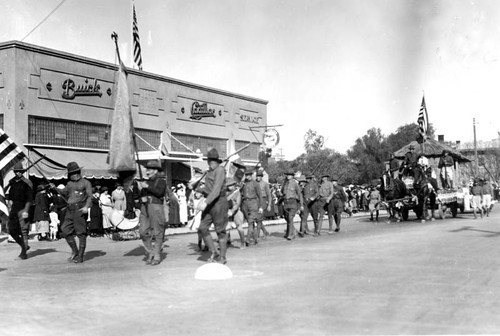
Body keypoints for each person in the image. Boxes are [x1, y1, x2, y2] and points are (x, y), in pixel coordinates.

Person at [195, 148, 229, 264]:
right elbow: (208, 189)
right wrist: (197, 188)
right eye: (209, 161)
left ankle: (223, 257)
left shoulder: (220, 170)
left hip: (219, 202)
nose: (209, 163)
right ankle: (214, 252)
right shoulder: (209, 171)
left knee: (220, 230)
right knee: (202, 228)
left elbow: (216, 190)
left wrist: (205, 202)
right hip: (210, 202)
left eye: (211, 161)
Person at [59, 162, 92, 263]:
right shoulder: (69, 184)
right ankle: (75, 251)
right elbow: (64, 192)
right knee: (64, 230)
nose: (73, 175)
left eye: (75, 172)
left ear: (79, 172)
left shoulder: (86, 183)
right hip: (69, 209)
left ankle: (80, 256)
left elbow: (90, 196)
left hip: (80, 209)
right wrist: (55, 188)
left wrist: (86, 207)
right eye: (71, 173)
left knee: (81, 233)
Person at [137, 160, 167, 266]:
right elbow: (139, 195)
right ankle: (151, 252)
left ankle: (157, 255)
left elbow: (159, 192)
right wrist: (141, 194)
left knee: (158, 232)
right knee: (142, 232)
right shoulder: (146, 181)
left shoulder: (161, 181)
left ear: (155, 171)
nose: (147, 171)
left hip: (156, 206)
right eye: (147, 169)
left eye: (149, 169)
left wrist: (147, 187)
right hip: (145, 207)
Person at [5, 162, 33, 260]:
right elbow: (10, 196)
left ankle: (23, 253)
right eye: (16, 172)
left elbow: (30, 198)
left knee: (23, 230)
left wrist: (26, 210)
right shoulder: (13, 183)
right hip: (14, 209)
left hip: (23, 208)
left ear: (23, 172)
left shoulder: (27, 183)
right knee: (11, 230)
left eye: (20, 172)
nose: (18, 173)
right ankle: (24, 246)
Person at [241, 168, 262, 245]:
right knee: (250, 222)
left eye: (249, 175)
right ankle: (255, 238)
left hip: (253, 203)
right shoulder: (243, 183)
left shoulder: (255, 184)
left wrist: (260, 207)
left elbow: (260, 195)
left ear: (251, 175)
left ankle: (247, 239)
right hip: (245, 204)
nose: (247, 176)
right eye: (246, 175)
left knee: (250, 222)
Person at [281, 170, 303, 240]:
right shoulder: (285, 183)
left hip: (293, 202)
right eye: (287, 175)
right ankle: (289, 232)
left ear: (292, 176)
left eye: (289, 175)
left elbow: (299, 194)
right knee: (287, 218)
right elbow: (282, 192)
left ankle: (291, 235)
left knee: (290, 218)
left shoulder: (295, 184)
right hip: (286, 203)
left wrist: (301, 205)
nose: (288, 176)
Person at [226, 177, 246, 249]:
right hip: (227, 210)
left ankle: (243, 242)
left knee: (239, 227)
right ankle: (227, 241)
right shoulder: (225, 192)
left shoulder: (237, 193)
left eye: (231, 185)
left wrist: (232, 211)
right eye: (228, 185)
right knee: (226, 228)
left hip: (236, 211)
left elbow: (237, 204)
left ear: (234, 185)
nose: (230, 187)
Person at [255, 170, 271, 239]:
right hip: (255, 202)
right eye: (257, 176)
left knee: (259, 218)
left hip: (263, 201)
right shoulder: (254, 183)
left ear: (262, 177)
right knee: (257, 218)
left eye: (259, 176)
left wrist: (269, 205)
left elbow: (269, 195)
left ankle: (257, 235)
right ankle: (265, 232)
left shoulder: (265, 184)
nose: (258, 177)